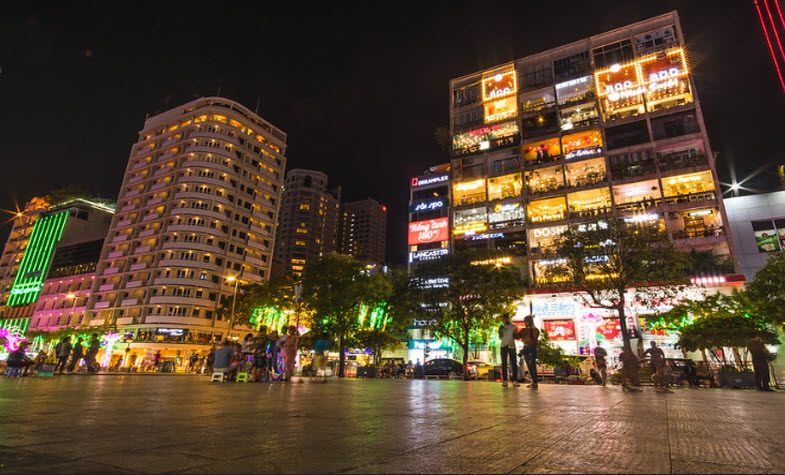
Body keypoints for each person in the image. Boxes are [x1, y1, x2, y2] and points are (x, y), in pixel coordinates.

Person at [498, 313, 519, 387]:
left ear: (509, 319)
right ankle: (505, 380)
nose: (506, 320)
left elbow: (516, 337)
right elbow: (500, 337)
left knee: (514, 363)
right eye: (504, 318)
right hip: (503, 346)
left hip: (512, 346)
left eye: (507, 318)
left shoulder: (514, 327)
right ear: (503, 320)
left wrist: (516, 335)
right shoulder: (501, 327)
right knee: (504, 364)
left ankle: (515, 380)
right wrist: (500, 331)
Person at [519, 315, 540, 389]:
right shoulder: (536, 330)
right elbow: (535, 340)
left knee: (531, 366)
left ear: (528, 322)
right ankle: (534, 382)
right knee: (531, 366)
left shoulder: (525, 330)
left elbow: (517, 336)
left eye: (525, 321)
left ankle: (535, 382)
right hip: (531, 348)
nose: (524, 323)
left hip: (527, 348)